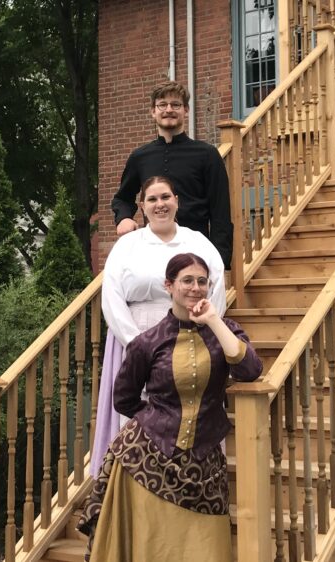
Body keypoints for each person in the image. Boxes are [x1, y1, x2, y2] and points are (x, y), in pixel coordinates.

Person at [78, 253, 262, 561]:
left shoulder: (225, 330)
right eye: (187, 280)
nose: (195, 287)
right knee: (151, 548)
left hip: (204, 463)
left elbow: (250, 370)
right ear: (169, 285)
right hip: (146, 461)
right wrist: (157, 421)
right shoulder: (147, 342)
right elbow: (123, 398)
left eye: (202, 281)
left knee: (207, 549)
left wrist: (213, 320)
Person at [90, 176, 226, 479]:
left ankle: (190, 478)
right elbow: (111, 297)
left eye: (165, 197)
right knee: (140, 411)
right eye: (152, 199)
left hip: (190, 336)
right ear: (141, 206)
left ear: (177, 201)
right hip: (135, 334)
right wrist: (137, 344)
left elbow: (216, 289)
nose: (159, 204)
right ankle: (135, 478)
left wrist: (204, 327)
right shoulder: (127, 246)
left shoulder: (197, 242)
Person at [111, 81, 233, 269]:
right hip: (152, 253)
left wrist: (219, 261)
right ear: (153, 111)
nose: (169, 110)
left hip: (196, 254)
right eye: (162, 105)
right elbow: (122, 198)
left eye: (175, 105)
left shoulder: (207, 154)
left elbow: (220, 213)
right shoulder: (139, 157)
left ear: (186, 110)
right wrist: (124, 218)